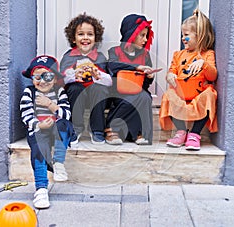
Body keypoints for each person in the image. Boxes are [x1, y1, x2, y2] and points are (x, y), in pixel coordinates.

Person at [159, 9, 218, 150]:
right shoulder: (178, 55)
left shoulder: (207, 54)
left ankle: (194, 134)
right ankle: (181, 132)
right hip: (182, 92)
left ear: (200, 36)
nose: (182, 38)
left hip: (198, 93)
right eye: (182, 35)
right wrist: (170, 76)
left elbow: (213, 76)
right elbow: (172, 71)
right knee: (168, 95)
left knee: (210, 95)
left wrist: (203, 64)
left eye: (186, 35)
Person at [20, 55, 73, 209]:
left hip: (57, 130)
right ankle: (41, 189)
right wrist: (39, 124)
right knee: (38, 147)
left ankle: (58, 163)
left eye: (47, 76)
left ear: (55, 79)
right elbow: (26, 115)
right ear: (32, 78)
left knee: (64, 124)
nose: (42, 81)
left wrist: (51, 105)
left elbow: (67, 114)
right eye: (37, 76)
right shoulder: (29, 92)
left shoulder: (60, 92)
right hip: (39, 130)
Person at [60, 13, 112, 145]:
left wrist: (97, 75)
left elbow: (109, 82)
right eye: (81, 34)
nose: (85, 38)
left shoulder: (100, 57)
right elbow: (62, 80)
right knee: (74, 89)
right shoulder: (68, 56)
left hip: (95, 94)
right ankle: (76, 128)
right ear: (73, 38)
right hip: (77, 94)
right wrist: (74, 74)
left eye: (90, 34)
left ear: (96, 38)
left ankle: (97, 129)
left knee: (99, 89)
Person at [105, 13, 157, 145]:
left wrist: (149, 76)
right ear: (131, 34)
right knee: (132, 98)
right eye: (142, 35)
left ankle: (139, 132)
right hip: (118, 91)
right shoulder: (114, 51)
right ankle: (112, 128)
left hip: (138, 89)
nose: (145, 40)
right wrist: (137, 67)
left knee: (144, 97)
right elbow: (112, 66)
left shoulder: (145, 54)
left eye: (146, 36)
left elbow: (145, 84)